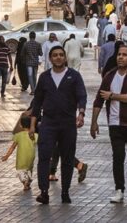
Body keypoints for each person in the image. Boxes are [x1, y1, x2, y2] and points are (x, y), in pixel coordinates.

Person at [30, 44, 87, 205]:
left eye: (61, 55)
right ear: (50, 58)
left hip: (68, 123)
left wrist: (81, 114)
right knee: (44, 156)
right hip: (48, 123)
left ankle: (65, 192)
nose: (58, 57)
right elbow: (37, 102)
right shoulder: (44, 77)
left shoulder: (74, 76)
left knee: (67, 158)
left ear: (65, 57)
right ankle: (43, 191)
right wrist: (33, 124)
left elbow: (82, 96)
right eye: (55, 55)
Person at [91, 42, 127, 204]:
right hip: (115, 124)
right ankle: (119, 189)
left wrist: (113, 96)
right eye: (119, 55)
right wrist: (93, 123)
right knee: (118, 157)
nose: (121, 57)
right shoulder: (109, 75)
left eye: (125, 55)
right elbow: (99, 100)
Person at [1, 113, 37, 191]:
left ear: (20, 125)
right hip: (31, 157)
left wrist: (7, 156)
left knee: (21, 171)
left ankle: (25, 183)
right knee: (29, 170)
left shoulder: (18, 135)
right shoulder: (34, 135)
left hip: (21, 158)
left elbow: (13, 147)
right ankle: (28, 181)